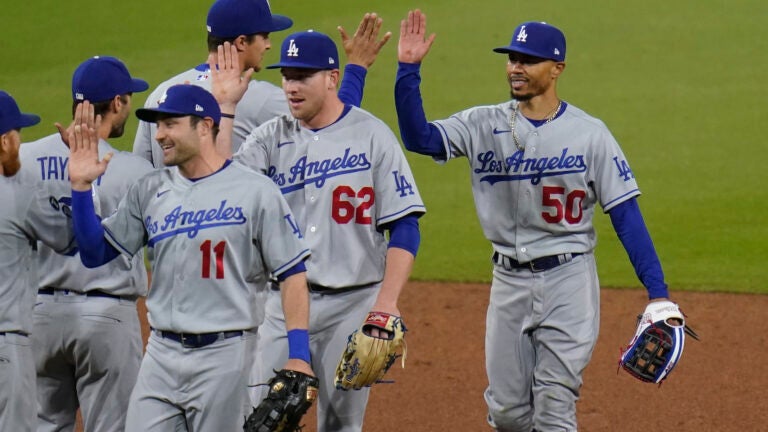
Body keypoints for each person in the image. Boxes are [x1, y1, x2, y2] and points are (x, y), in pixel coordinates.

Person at [395, 11, 684, 431]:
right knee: (508, 414)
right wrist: (408, 70)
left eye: (527, 60)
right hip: (508, 283)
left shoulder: (590, 134)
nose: (516, 67)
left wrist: (657, 292)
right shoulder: (482, 123)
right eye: (512, 58)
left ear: (557, 68)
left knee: (554, 403)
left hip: (569, 280)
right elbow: (419, 138)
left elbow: (625, 214)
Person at [67, 84, 314, 431]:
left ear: (204, 126)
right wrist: (79, 187)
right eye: (158, 126)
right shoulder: (149, 189)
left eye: (170, 125)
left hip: (226, 357)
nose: (159, 136)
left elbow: (292, 273)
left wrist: (299, 355)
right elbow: (95, 254)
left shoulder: (256, 191)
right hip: (160, 356)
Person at [213, 30, 426, 432]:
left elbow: (405, 225)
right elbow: (223, 192)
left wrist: (386, 303)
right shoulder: (268, 139)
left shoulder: (373, 135)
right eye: (287, 76)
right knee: (262, 420)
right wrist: (226, 107)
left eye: (302, 77)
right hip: (280, 307)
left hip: (352, 304)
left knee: (341, 425)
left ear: (332, 77)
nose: (291, 87)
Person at [18, 55, 153, 432]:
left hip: (38, 315)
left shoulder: (25, 159)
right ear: (117, 103)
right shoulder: (137, 173)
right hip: (106, 319)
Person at [133, 0, 390, 167]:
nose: (268, 45)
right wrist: (356, 66)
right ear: (242, 42)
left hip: (170, 246)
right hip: (233, 245)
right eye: (264, 36)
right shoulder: (257, 98)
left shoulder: (160, 95)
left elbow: (140, 179)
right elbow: (335, 120)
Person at [0, 90, 76, 431]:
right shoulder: (18, 189)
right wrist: (79, 177)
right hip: (6, 345)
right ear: (4, 142)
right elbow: (70, 238)